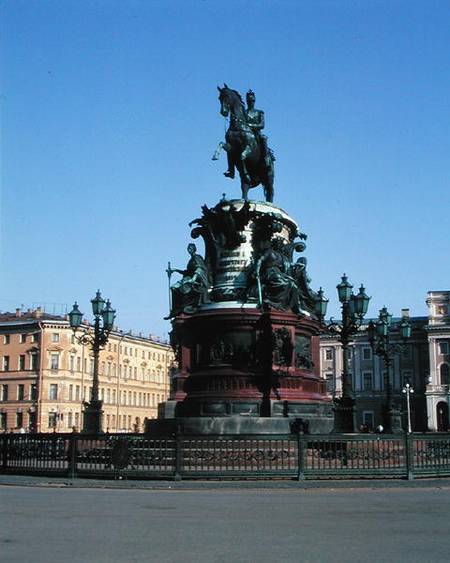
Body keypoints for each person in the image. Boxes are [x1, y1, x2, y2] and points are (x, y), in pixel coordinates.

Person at [224, 89, 271, 179]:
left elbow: (262, 125)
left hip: (256, 133)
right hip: (244, 134)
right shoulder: (244, 112)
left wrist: (249, 125)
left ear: (254, 101)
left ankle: (266, 159)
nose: (250, 103)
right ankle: (231, 169)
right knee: (232, 149)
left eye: (252, 101)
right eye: (249, 101)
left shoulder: (259, 112)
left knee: (264, 138)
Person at [166, 243, 210, 317]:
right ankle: (175, 310)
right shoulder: (191, 260)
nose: (189, 250)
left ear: (194, 249)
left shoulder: (197, 258)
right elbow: (186, 272)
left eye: (190, 248)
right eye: (188, 248)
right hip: (188, 278)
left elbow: (200, 268)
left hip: (196, 280)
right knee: (173, 288)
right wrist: (175, 270)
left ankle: (184, 306)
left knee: (183, 287)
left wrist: (193, 279)